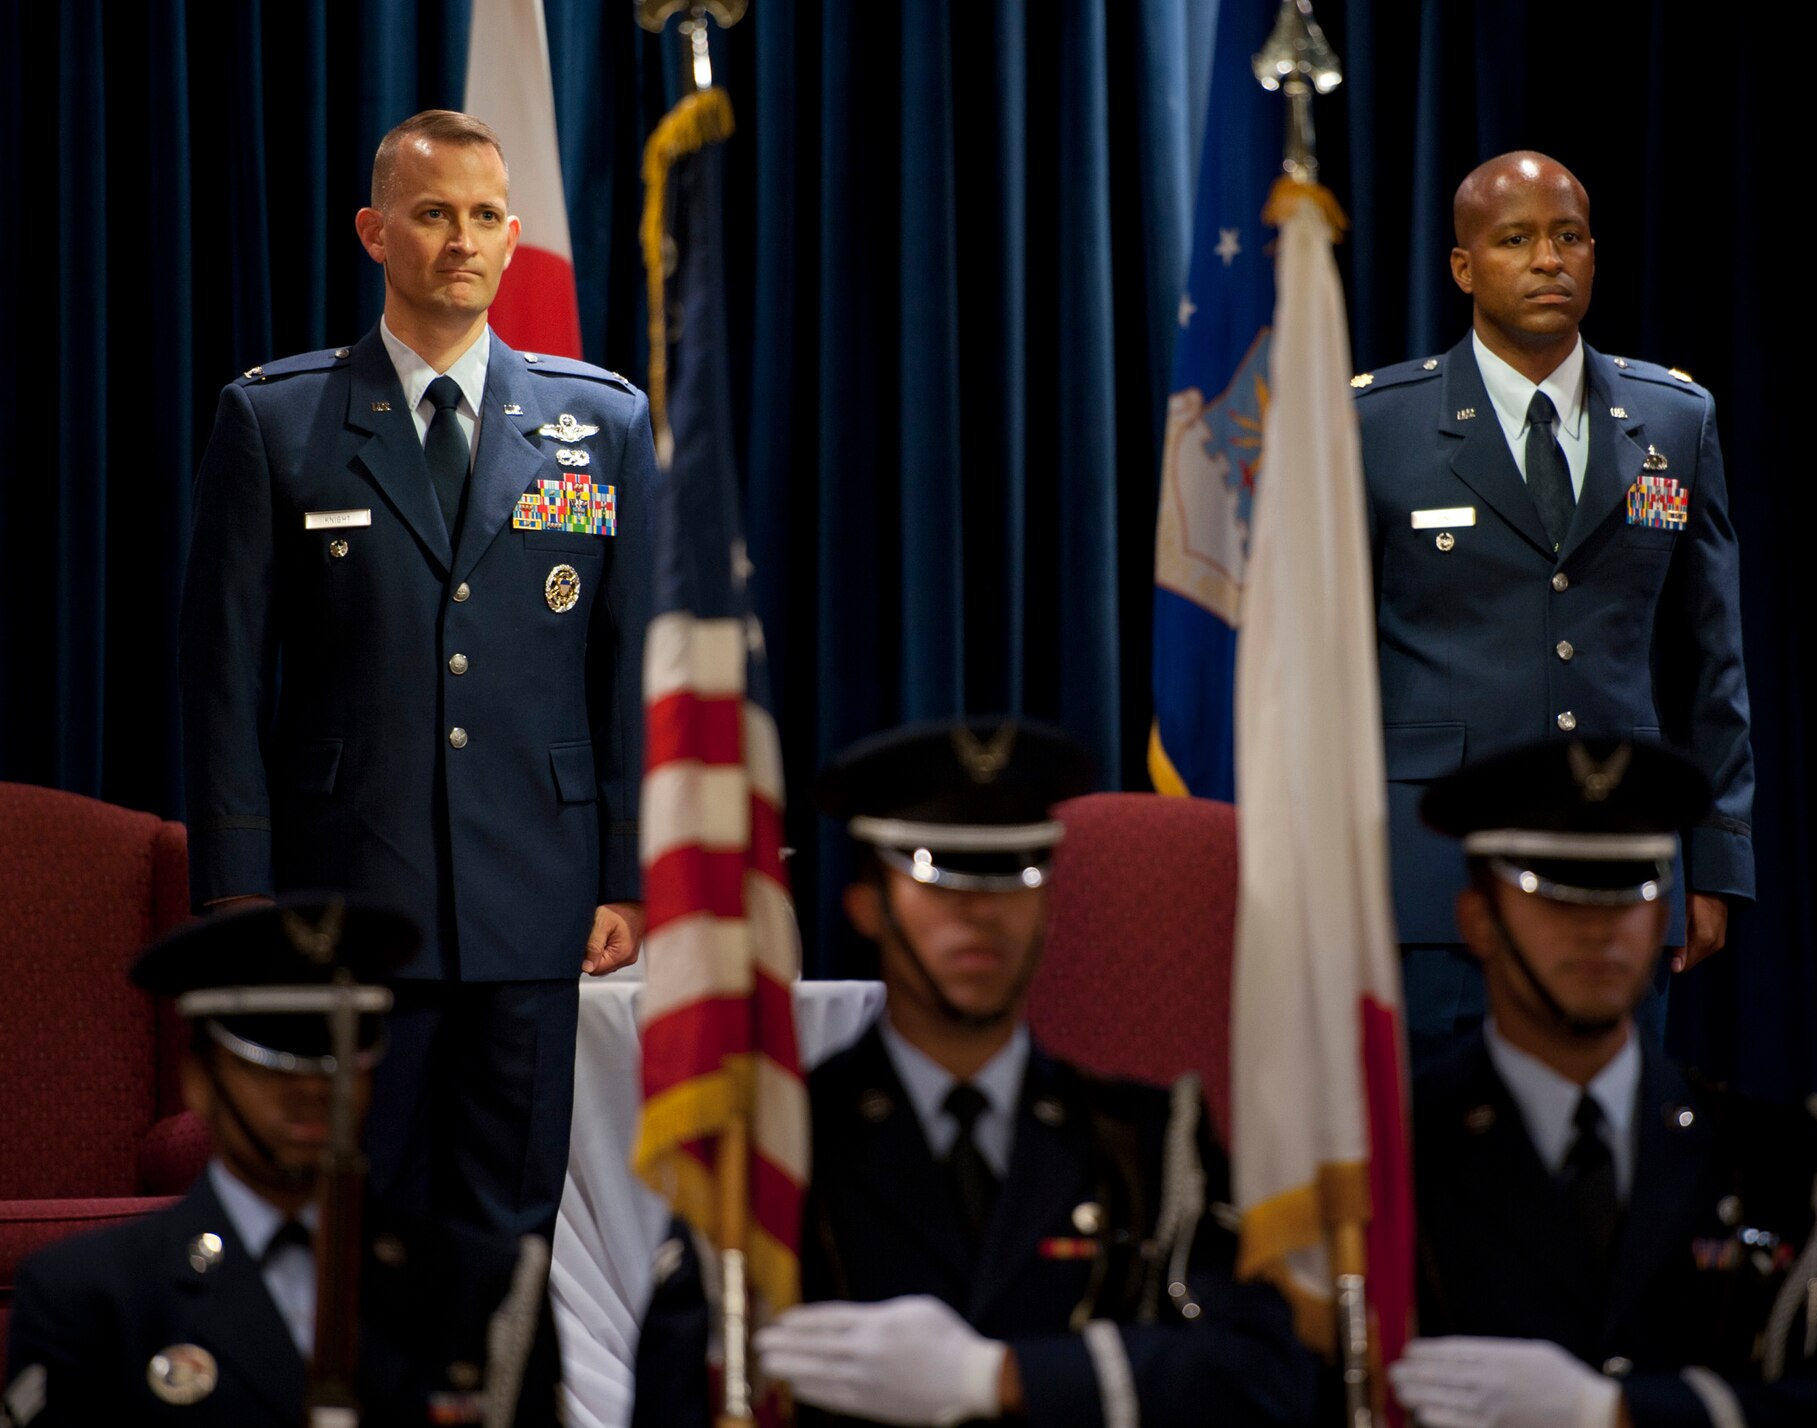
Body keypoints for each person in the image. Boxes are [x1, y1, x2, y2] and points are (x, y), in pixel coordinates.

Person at [177, 109, 653, 1239]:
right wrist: (242, 889)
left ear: (512, 232)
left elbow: (632, 671)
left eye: (485, 216)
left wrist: (630, 876)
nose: (462, 241)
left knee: (511, 1228)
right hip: (346, 894)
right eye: (433, 214)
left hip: (537, 897)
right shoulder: (276, 420)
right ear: (373, 231)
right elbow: (223, 677)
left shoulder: (601, 421)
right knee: (360, 1227)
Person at [743, 717, 1315, 1427]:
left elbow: (1267, 1378)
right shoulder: (784, 1143)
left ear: (1049, 906)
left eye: (1015, 873)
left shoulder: (1145, 1142)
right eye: (934, 871)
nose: (978, 912)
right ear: (867, 906)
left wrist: (1006, 1377)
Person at [1352, 151, 1753, 1068]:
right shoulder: (1376, 426)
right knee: (1438, 1172)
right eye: (1516, 239)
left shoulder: (1674, 420)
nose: (1547, 260)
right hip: (1427, 883)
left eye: (1568, 237)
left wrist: (1716, 863)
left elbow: (1709, 661)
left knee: (1600, 1170)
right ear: (1464, 267)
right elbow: (1320, 672)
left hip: (1619, 873)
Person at [1389, 739, 1817, 1427]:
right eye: (1554, 891)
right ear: (1479, 920)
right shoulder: (1400, 1148)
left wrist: (1622, 1411)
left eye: (1629, 889)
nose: (1599, 929)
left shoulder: (1780, 1160)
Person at [1, 896, 562, 1428]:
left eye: (335, 1060)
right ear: (199, 1081)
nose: (311, 1091)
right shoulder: (94, 1298)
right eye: (270, 1066)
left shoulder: (477, 1285)